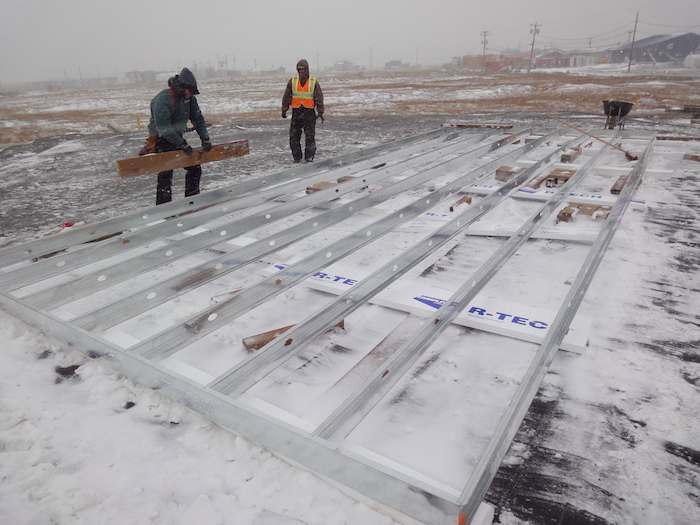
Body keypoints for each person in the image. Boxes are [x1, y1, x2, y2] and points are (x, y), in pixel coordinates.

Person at [147, 67, 212, 205]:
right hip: (161, 139)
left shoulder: (190, 99)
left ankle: (192, 201)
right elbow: (164, 128)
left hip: (176, 136)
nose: (190, 94)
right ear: (182, 87)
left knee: (194, 167)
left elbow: (198, 119)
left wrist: (205, 139)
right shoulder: (163, 99)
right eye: (190, 91)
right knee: (166, 173)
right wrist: (182, 144)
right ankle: (164, 208)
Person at [281, 59, 324, 163]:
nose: (301, 71)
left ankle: (309, 157)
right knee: (294, 136)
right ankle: (297, 157)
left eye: (303, 69)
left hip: (309, 112)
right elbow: (287, 96)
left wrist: (320, 111)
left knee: (310, 136)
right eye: (299, 69)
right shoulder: (292, 81)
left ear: (307, 69)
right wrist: (284, 109)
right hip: (297, 112)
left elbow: (318, 96)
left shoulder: (313, 81)